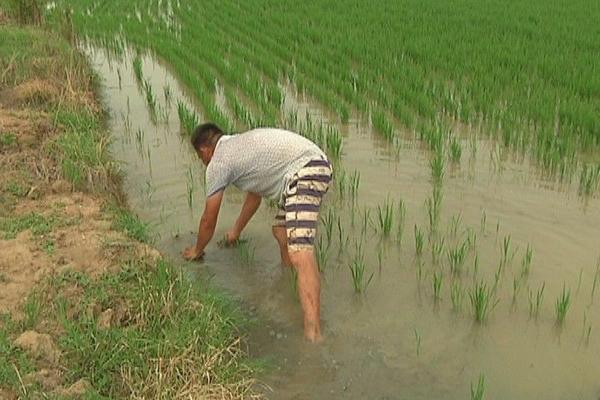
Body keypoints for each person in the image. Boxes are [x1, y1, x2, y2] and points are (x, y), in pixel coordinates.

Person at [183, 123, 332, 343]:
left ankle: (314, 334)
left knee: (300, 251)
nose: (202, 162)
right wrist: (235, 232)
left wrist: (197, 250)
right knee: (281, 231)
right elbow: (255, 196)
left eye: (200, 157)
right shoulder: (239, 148)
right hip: (309, 165)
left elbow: (209, 219)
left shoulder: (219, 162)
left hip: (305, 170)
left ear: (204, 150)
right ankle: (289, 284)